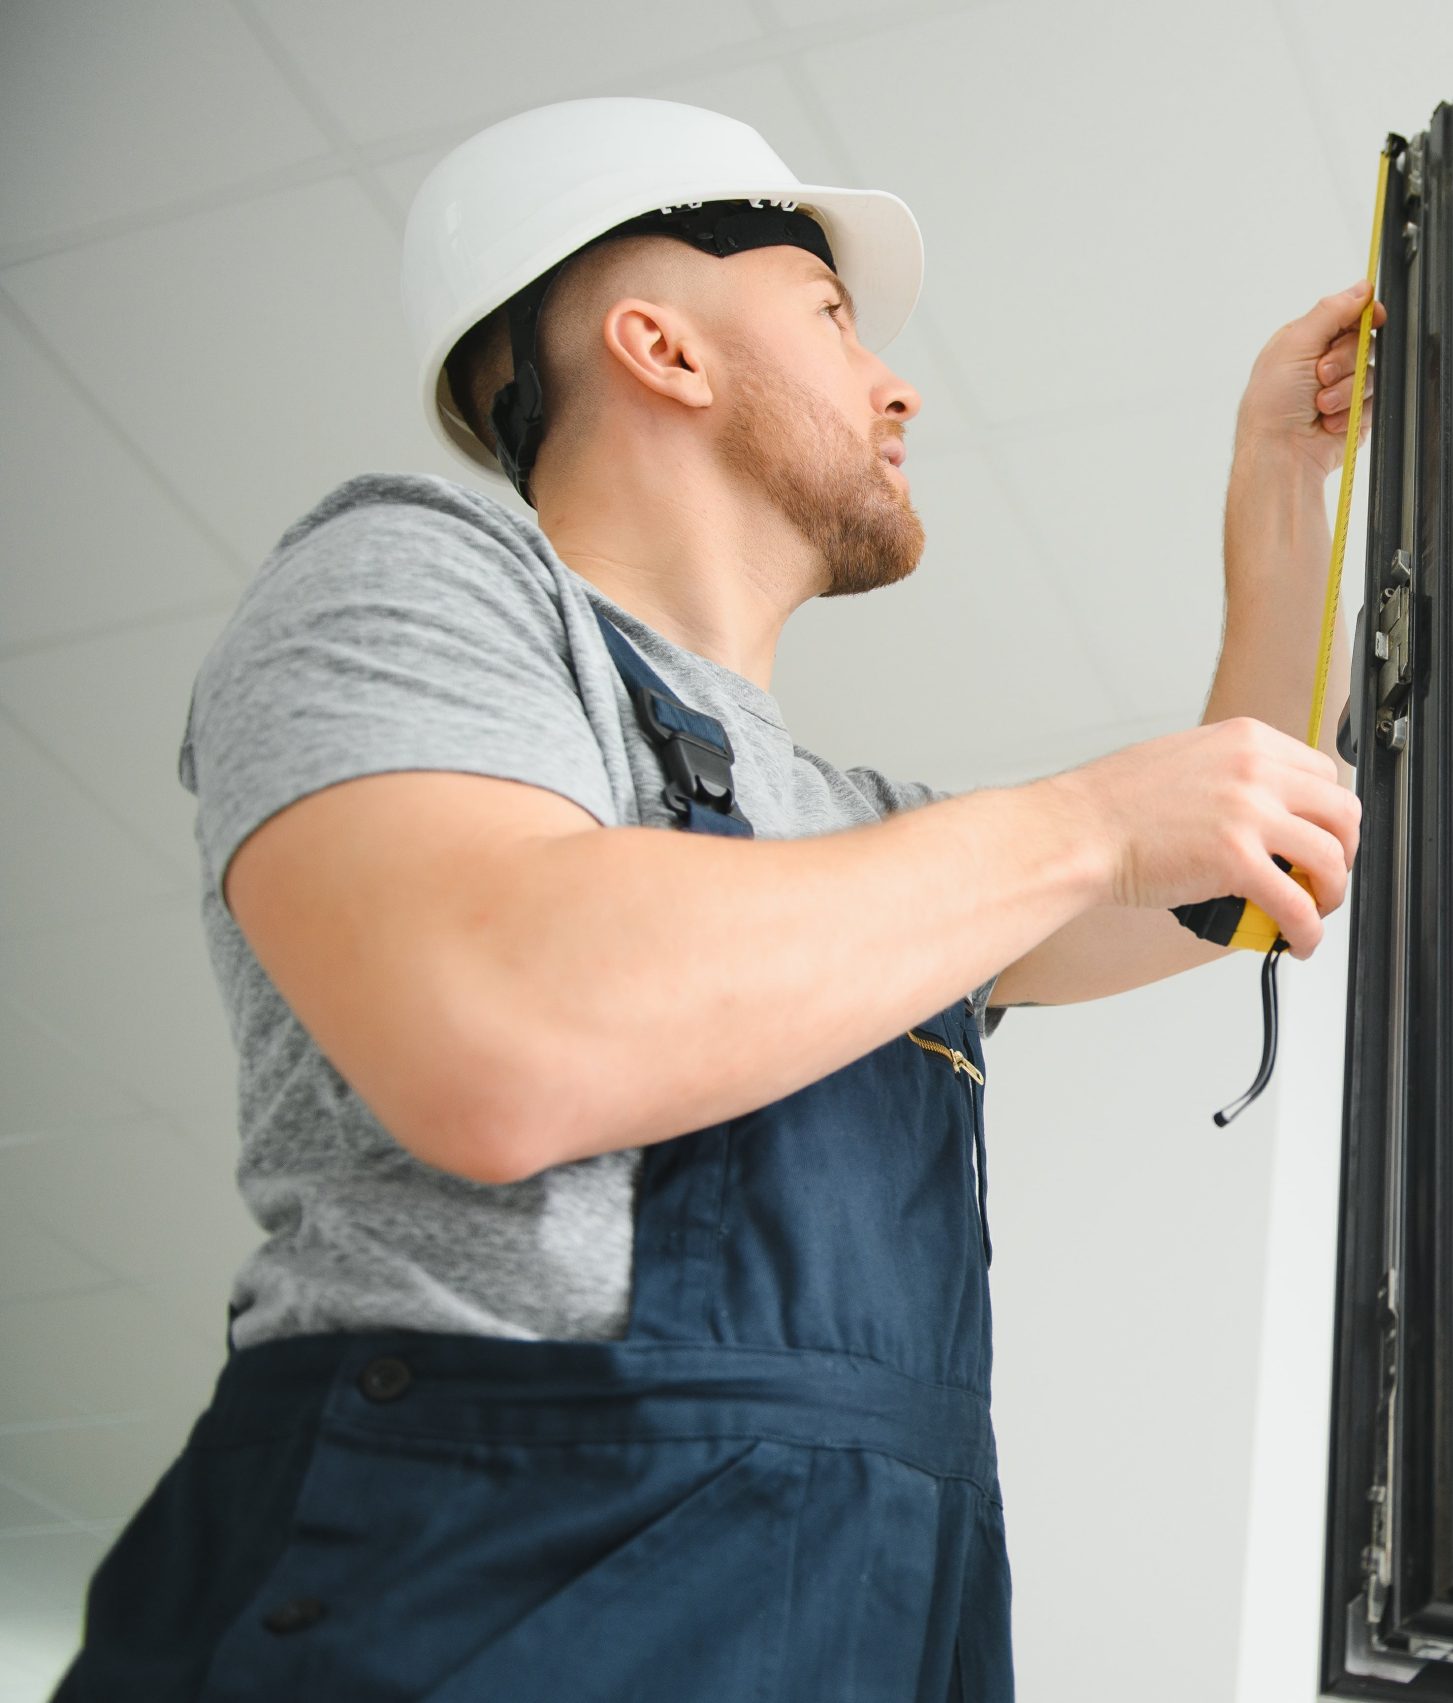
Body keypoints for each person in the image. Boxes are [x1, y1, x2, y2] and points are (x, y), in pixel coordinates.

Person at [54, 96, 1372, 1702]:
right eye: (832, 316)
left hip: (874, 1614)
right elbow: (502, 1030)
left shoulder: (870, 837)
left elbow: (1231, 885)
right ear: (661, 349)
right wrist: (1089, 822)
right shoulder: (405, 577)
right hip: (469, 1594)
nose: (896, 383)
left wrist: (1283, 483)